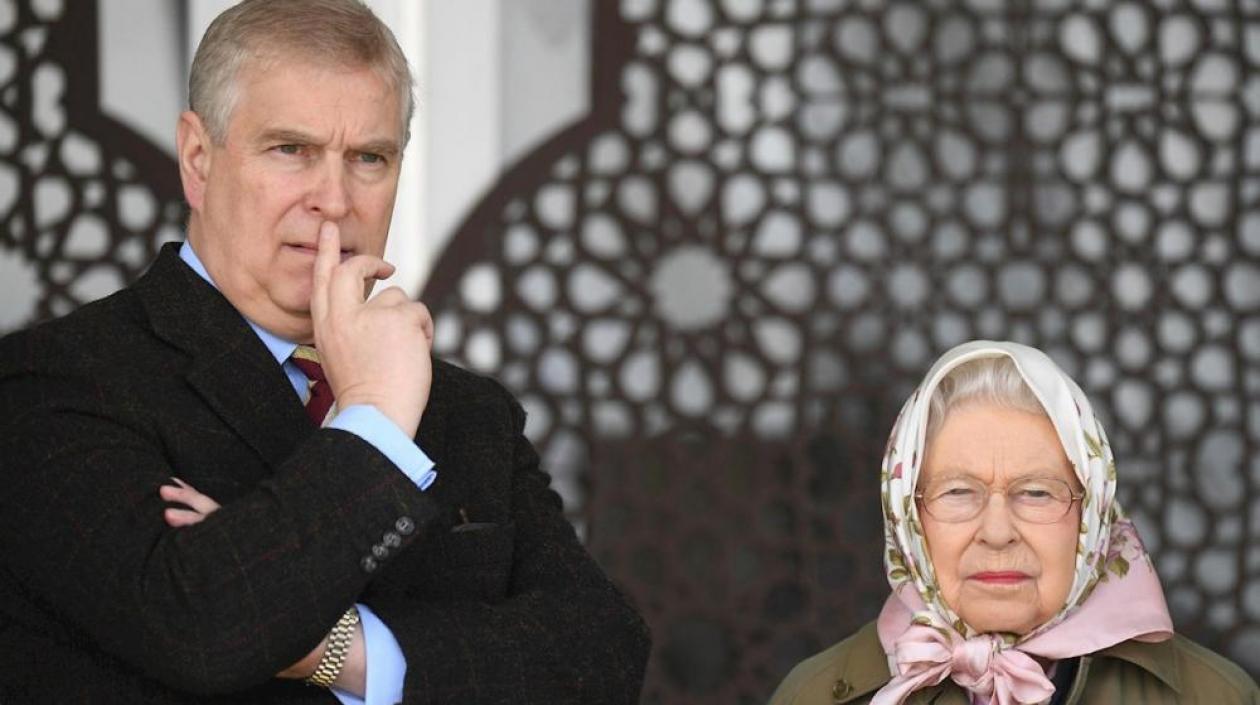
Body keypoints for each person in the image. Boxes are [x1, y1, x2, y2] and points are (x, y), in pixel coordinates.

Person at [0, 1, 648, 702]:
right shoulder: (54, 379)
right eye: (291, 150)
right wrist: (372, 421)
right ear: (197, 159)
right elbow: (201, 627)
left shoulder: (467, 410)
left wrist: (339, 646)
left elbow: (604, 656)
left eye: (368, 157)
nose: (334, 200)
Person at [769, 340, 1258, 704]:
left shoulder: (1213, 695)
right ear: (909, 521)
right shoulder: (816, 695)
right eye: (958, 492)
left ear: (1090, 519)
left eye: (1037, 493)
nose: (998, 531)